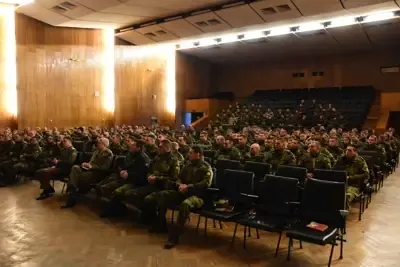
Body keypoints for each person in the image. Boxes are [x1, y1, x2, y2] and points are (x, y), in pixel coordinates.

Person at [146, 146, 213, 248]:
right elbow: (179, 178)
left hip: (198, 196)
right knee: (162, 195)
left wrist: (189, 187)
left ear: (198, 154)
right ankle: (160, 223)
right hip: (183, 191)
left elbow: (206, 183)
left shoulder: (206, 167)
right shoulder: (188, 165)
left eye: (191, 152)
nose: (188, 154)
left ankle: (174, 236)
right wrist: (180, 185)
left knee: (185, 204)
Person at [130, 140, 180, 223]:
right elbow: (149, 170)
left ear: (167, 148)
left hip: (163, 186)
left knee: (148, 199)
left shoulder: (174, 160)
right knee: (132, 193)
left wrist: (157, 178)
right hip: (152, 184)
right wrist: (149, 177)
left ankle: (149, 217)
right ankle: (149, 214)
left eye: (160, 147)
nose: (158, 148)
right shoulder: (157, 158)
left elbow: (174, 177)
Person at [99, 138, 150, 217]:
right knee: (106, 186)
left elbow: (141, 175)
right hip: (124, 177)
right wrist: (122, 171)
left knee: (118, 191)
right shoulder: (130, 154)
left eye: (133, 145)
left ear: (138, 148)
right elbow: (123, 165)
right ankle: (119, 208)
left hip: (134, 182)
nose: (130, 146)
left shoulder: (143, 158)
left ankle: (111, 211)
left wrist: (128, 174)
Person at [61, 137, 114, 208]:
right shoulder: (96, 151)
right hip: (89, 169)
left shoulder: (108, 153)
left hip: (97, 172)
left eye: (99, 143)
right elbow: (91, 162)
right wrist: (86, 164)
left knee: (78, 176)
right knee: (75, 168)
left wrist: (91, 166)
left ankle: (72, 193)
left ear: (104, 144)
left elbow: (105, 167)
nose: (97, 144)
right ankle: (73, 191)